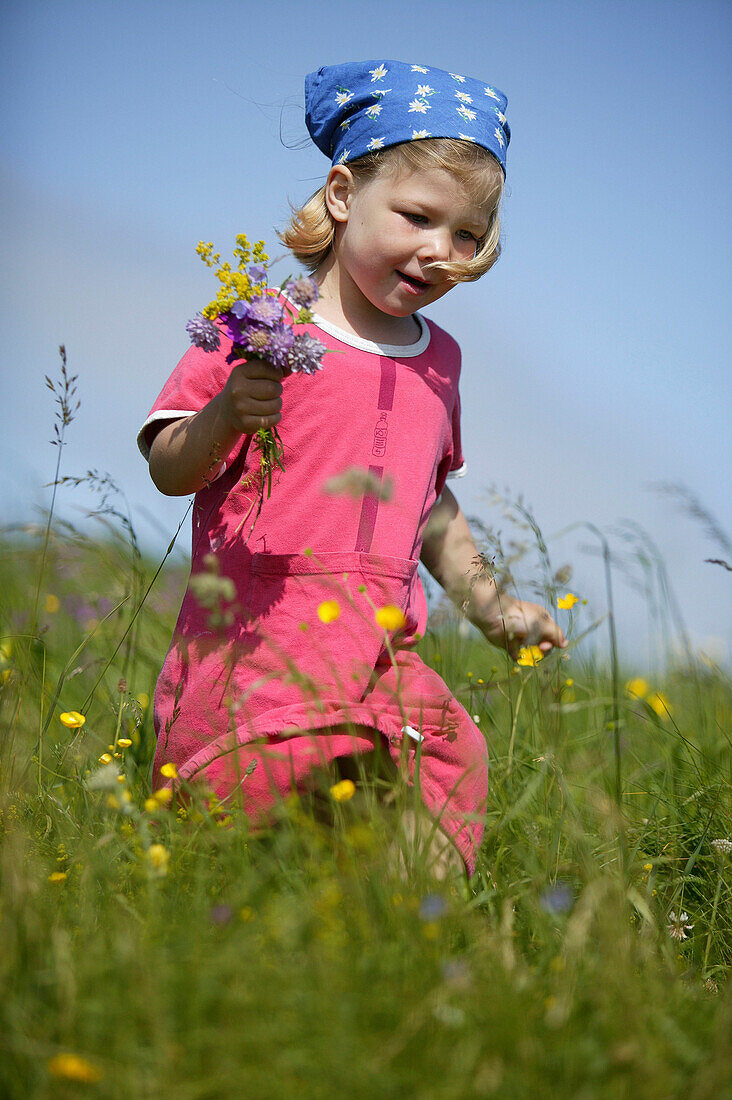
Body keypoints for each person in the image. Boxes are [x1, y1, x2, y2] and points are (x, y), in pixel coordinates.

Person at [138, 60, 566, 878]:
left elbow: (429, 506)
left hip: (379, 646)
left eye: (468, 236)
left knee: (449, 762)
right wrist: (227, 411)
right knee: (247, 825)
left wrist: (494, 608)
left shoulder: (441, 361)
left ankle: (411, 942)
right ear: (342, 194)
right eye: (418, 216)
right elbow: (168, 466)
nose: (442, 251)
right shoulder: (263, 326)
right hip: (260, 637)